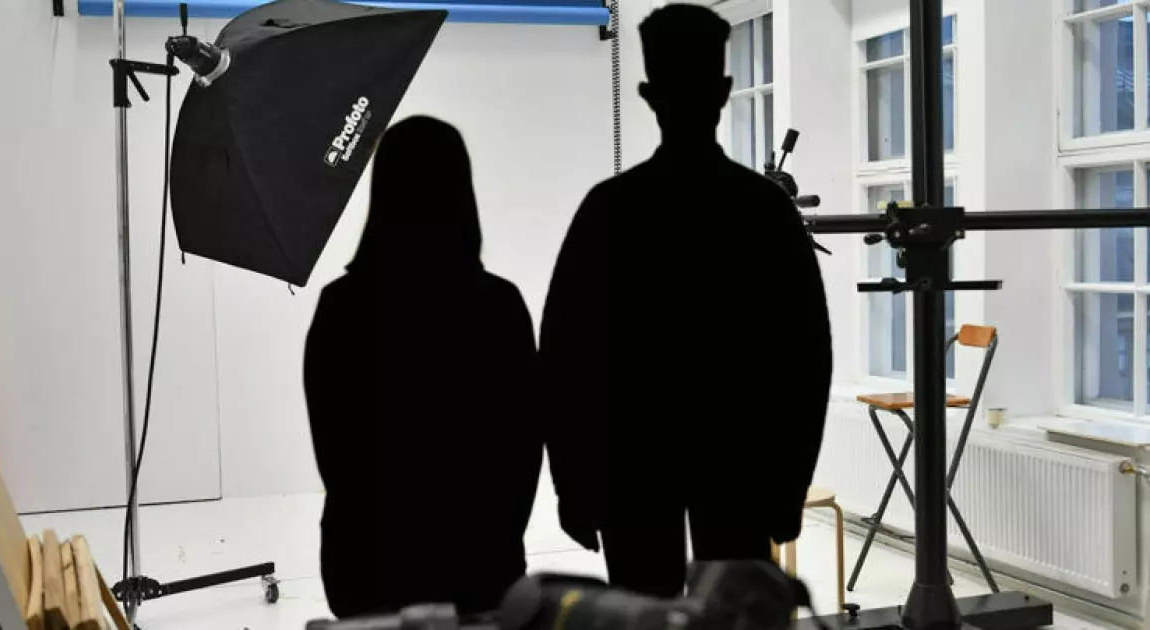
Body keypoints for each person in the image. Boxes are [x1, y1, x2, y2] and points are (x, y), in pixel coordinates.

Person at [539, 5, 833, 599]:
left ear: (647, 94)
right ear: (725, 92)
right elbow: (805, 358)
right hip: (740, 460)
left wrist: (572, 482)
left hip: (632, 462)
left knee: (645, 612)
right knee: (732, 610)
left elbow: (564, 357)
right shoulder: (762, 212)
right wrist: (789, 482)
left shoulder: (610, 210)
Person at [304, 116, 542, 618]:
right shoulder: (499, 307)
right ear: (462, 192)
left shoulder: (341, 307)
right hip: (480, 561)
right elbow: (523, 447)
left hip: (365, 562)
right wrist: (498, 537)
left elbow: (335, 449)